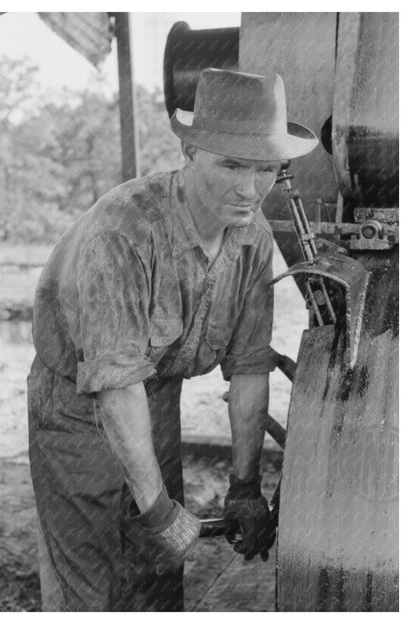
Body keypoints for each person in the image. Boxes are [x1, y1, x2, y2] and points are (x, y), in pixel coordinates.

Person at [27, 67, 318, 612]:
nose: (249, 188)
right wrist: (158, 508)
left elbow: (250, 366)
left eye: (265, 170)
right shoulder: (125, 230)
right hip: (75, 405)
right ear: (189, 150)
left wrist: (245, 487)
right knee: (91, 582)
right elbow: (115, 388)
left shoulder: (253, 238)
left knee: (158, 575)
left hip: (155, 395)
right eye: (231, 164)